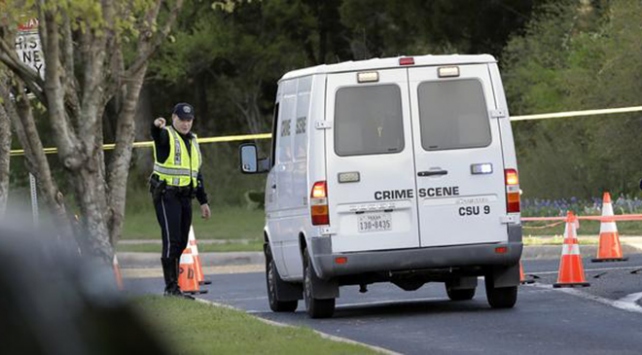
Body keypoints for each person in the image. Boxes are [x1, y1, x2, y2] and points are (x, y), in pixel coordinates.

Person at [150, 102, 211, 298]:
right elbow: (156, 137)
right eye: (182, 120)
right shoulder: (167, 135)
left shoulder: (193, 141)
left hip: (186, 197)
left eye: (189, 120)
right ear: (173, 118)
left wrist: (203, 201)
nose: (186, 124)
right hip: (167, 195)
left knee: (182, 241)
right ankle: (171, 288)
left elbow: (196, 173)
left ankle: (175, 287)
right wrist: (155, 126)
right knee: (171, 240)